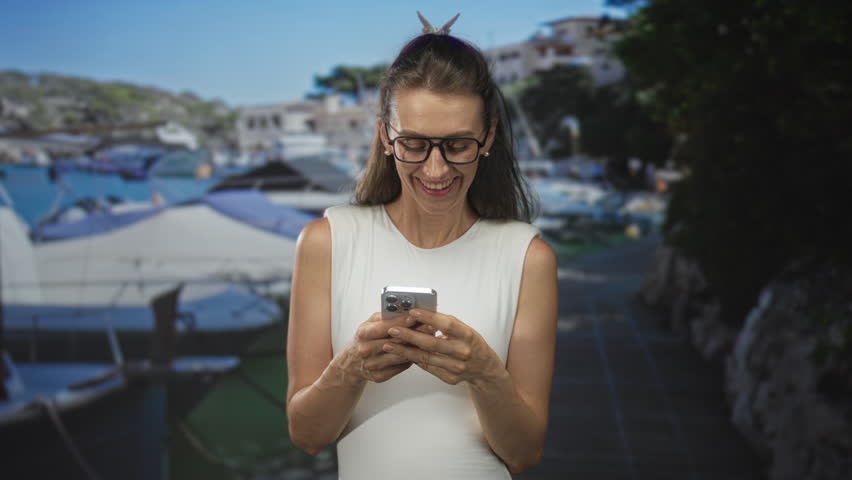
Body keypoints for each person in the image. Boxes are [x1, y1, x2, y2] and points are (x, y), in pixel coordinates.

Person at [286, 12, 557, 479]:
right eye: (414, 144)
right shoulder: (326, 244)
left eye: (457, 145)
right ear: (385, 137)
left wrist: (484, 371)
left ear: (488, 137)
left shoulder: (526, 258)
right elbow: (308, 436)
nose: (435, 170)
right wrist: (351, 365)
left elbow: (524, 452)